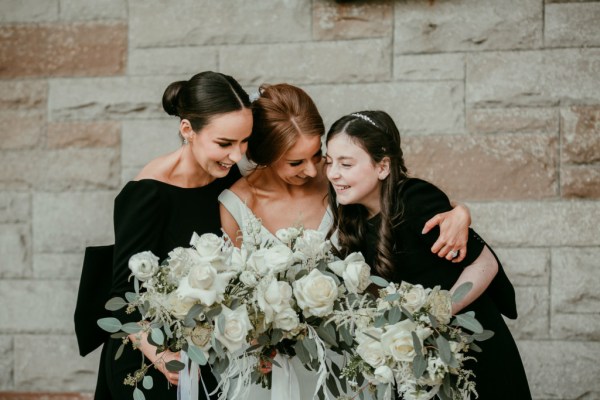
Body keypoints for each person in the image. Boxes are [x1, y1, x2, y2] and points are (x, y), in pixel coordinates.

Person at [218, 84, 473, 399]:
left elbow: (397, 196)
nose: (313, 170)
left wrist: (460, 213)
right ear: (266, 156)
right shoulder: (234, 206)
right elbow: (235, 298)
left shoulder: (341, 181)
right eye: (296, 163)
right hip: (274, 368)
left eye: (317, 155)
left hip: (354, 357)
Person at [324, 110, 531, 399]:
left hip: (470, 352)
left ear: (382, 167)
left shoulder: (415, 198)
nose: (333, 173)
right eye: (329, 162)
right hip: (415, 363)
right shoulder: (353, 216)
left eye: (345, 164)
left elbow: (485, 263)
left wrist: (436, 315)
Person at [91, 71, 253, 399]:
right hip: (149, 364)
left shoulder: (225, 173)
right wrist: (164, 358)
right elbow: (123, 297)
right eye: (224, 143)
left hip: (208, 355)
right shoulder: (147, 195)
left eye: (244, 141)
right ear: (187, 130)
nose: (237, 156)